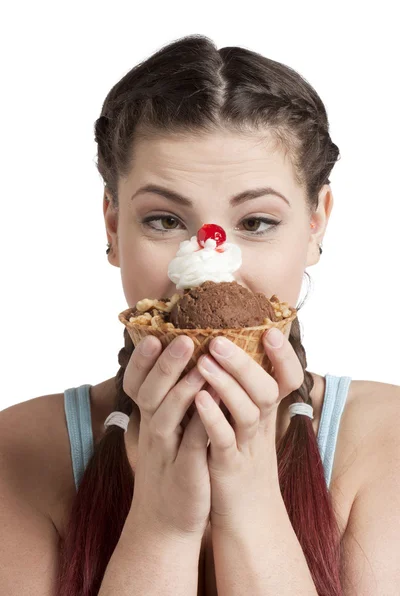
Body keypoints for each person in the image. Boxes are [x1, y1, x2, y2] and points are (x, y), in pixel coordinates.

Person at [1, 34, 399, 596]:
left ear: (317, 224)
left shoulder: (387, 440)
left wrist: (251, 502)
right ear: (112, 227)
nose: (212, 270)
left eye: (257, 222)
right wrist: (163, 528)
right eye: (164, 220)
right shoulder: (18, 450)